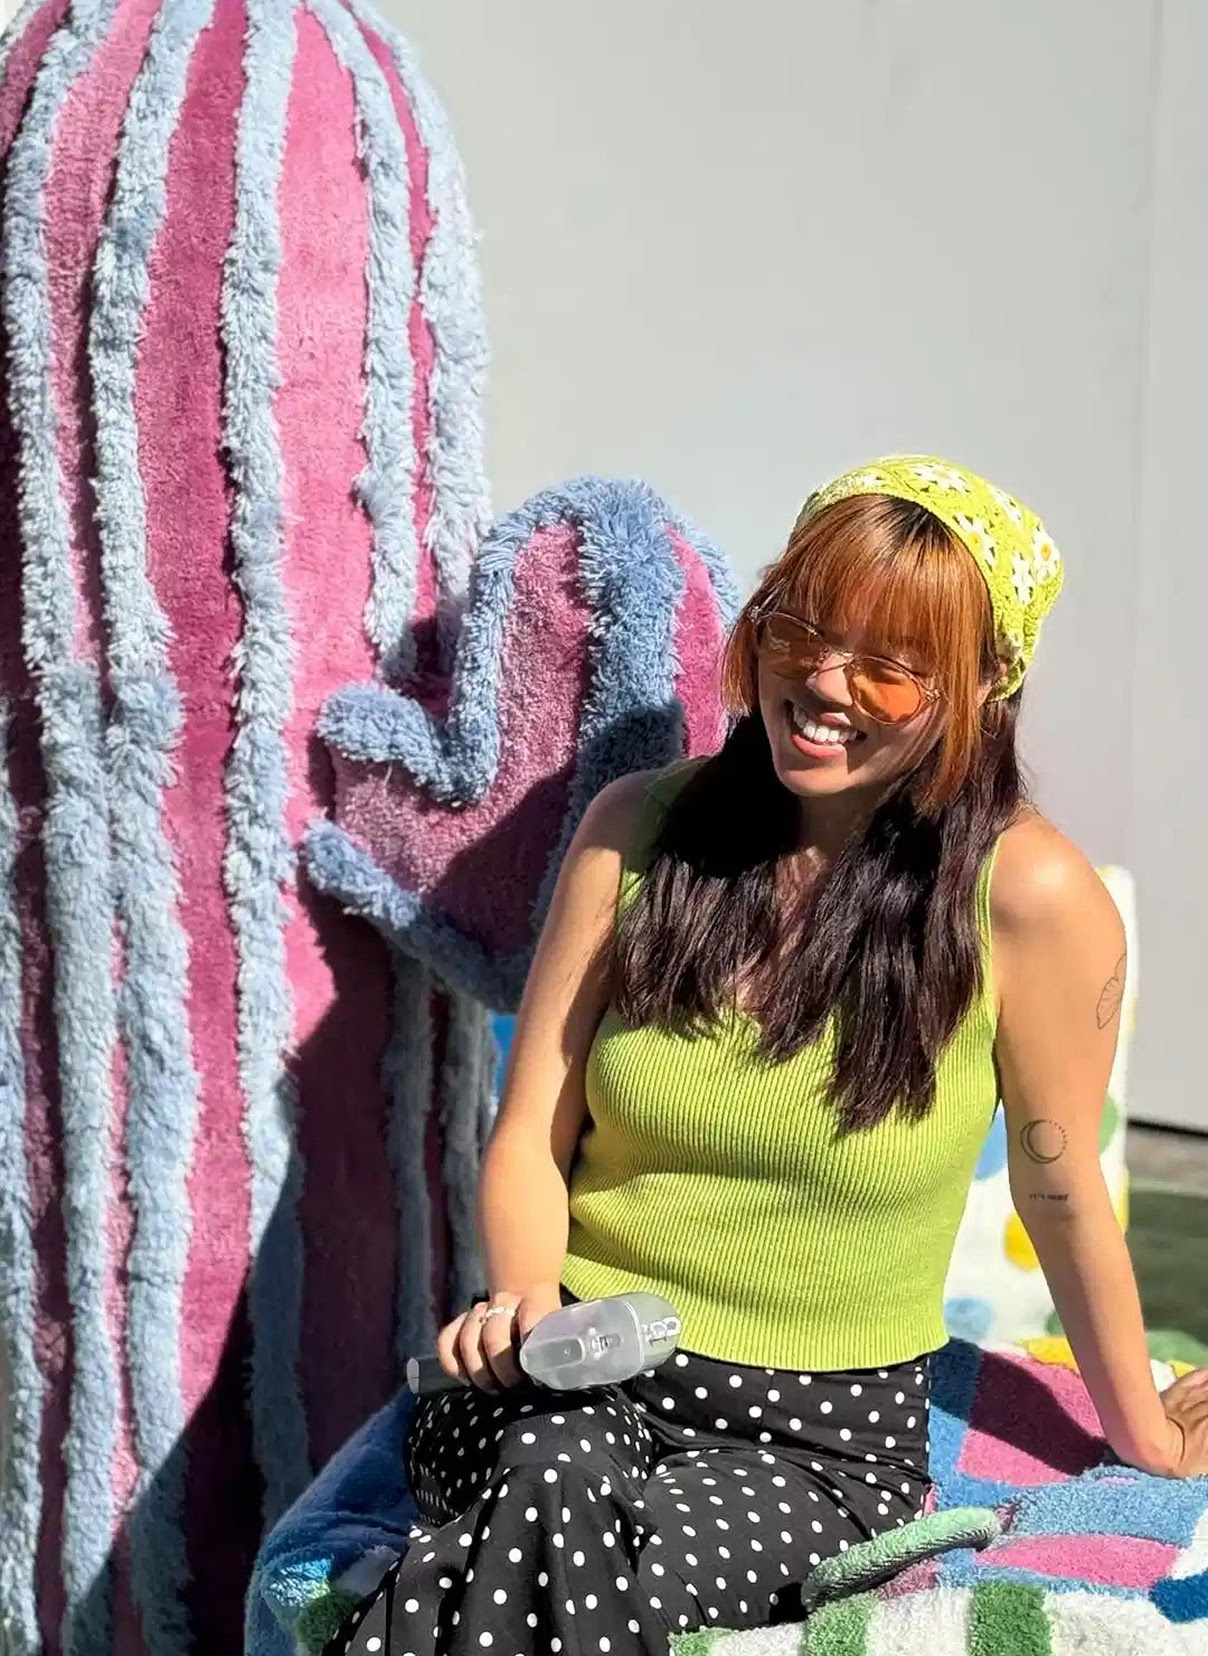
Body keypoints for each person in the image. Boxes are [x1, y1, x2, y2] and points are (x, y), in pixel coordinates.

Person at [333, 457, 1208, 1656]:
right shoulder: (637, 827)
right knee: (552, 1472)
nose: (822, 681)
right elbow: (532, 1123)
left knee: (551, 1520)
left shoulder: (1028, 895)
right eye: (802, 624)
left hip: (817, 1441)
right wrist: (528, 1308)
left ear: (980, 688)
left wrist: (1142, 1436)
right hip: (572, 1366)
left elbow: (1058, 1193)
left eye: (890, 666)